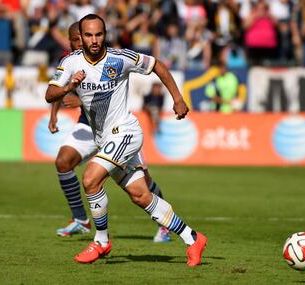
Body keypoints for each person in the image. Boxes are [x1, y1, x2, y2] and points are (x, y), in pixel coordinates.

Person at [45, 14, 207, 266]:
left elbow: (159, 66)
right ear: (81, 37)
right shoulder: (70, 62)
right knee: (141, 196)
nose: (94, 40)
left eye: (99, 34)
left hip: (126, 132)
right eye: (88, 35)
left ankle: (100, 241)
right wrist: (68, 87)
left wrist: (177, 99)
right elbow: (50, 93)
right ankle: (192, 238)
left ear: (105, 34)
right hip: (103, 138)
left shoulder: (121, 58)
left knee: (90, 178)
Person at [49, 22, 171, 243]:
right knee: (63, 161)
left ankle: (164, 226)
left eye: (86, 37)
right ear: (72, 41)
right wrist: (53, 114)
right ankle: (81, 219)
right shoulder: (69, 62)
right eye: (77, 39)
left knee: (141, 181)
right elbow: (57, 90)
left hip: (116, 128)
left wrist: (80, 100)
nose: (83, 43)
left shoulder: (109, 58)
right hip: (88, 126)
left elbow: (104, 91)